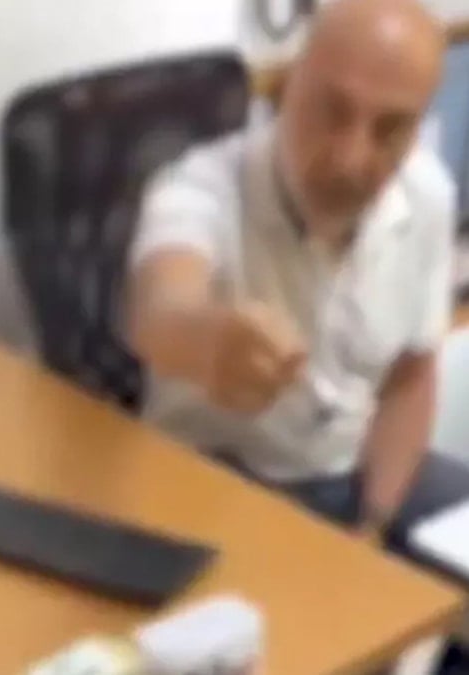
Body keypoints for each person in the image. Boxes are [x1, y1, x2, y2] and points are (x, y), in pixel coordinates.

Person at [128, 0, 469, 586]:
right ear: (287, 89)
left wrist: (372, 526)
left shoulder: (428, 196)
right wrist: (205, 340)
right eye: (332, 111)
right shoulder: (201, 186)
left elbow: (411, 377)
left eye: (390, 129)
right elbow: (159, 311)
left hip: (354, 472)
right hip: (216, 483)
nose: (351, 158)